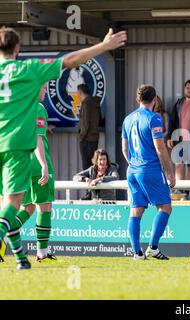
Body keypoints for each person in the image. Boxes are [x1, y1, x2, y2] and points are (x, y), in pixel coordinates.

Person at [0, 27, 126, 269]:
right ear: (17, 49)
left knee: (8, 206)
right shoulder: (28, 69)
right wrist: (103, 46)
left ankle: (20, 259)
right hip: (16, 147)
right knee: (13, 205)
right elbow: (70, 60)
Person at [122, 85, 176, 260]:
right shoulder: (154, 119)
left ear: (138, 99)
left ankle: (137, 252)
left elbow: (124, 148)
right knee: (165, 207)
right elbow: (160, 149)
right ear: (155, 99)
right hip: (150, 169)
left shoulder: (127, 119)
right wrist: (170, 172)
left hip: (132, 170)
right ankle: (152, 247)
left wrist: (133, 163)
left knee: (136, 211)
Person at [4, 85, 56, 263]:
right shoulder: (38, 108)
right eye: (43, 87)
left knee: (28, 207)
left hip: (20, 164)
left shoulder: (19, 107)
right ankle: (42, 253)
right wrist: (44, 165)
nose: (45, 91)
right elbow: (38, 138)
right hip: (35, 165)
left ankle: (5, 234)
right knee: (45, 206)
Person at [77, 83, 101, 171]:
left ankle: (88, 183)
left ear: (80, 92)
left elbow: (85, 123)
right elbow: (100, 119)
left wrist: (81, 136)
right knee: (93, 163)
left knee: (86, 165)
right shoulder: (95, 103)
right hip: (94, 137)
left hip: (87, 139)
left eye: (77, 93)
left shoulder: (86, 103)